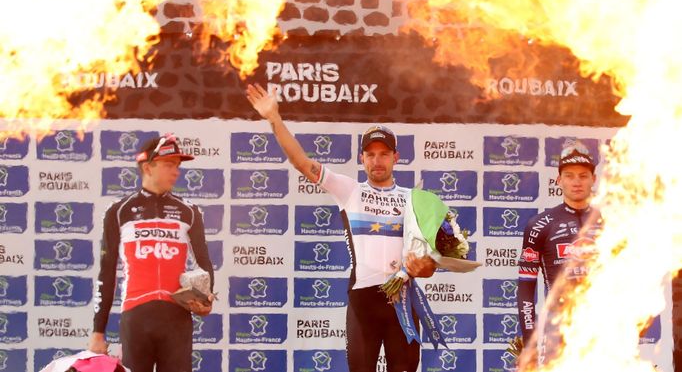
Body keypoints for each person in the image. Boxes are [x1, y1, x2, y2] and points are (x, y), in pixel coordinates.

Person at [246, 83, 437, 372]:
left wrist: (423, 267)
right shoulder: (350, 190)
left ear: (396, 158)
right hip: (363, 301)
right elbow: (301, 162)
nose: (377, 160)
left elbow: (429, 264)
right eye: (370, 154)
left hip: (403, 303)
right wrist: (274, 118)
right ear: (361, 159)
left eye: (384, 154)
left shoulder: (414, 199)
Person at [87, 134, 215, 372]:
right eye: (169, 165)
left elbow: (204, 261)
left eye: (177, 166)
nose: (176, 172)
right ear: (147, 167)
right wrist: (98, 331)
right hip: (136, 317)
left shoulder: (189, 211)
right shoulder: (118, 211)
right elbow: (106, 272)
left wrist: (206, 300)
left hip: (176, 318)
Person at [517, 142, 601, 366]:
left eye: (583, 176)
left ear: (593, 180)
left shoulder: (612, 221)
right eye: (570, 175)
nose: (576, 182)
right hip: (559, 330)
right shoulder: (539, 225)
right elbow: (526, 289)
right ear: (558, 180)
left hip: (604, 327)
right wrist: (530, 344)